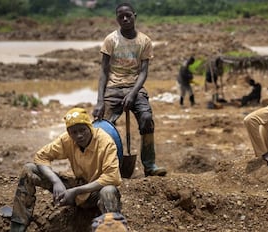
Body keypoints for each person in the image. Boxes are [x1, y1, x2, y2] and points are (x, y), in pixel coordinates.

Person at [10, 108, 122, 232]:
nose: (79, 135)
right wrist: (56, 182)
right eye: (74, 132)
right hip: (77, 187)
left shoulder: (105, 142)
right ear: (69, 132)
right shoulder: (67, 140)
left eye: (82, 130)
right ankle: (18, 226)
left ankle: (111, 228)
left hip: (96, 192)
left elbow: (112, 177)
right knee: (30, 169)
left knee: (109, 191)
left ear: (90, 127)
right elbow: (41, 156)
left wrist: (75, 191)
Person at [92, 2, 167, 177]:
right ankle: (101, 166)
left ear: (135, 16)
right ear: (117, 18)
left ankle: (149, 165)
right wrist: (100, 101)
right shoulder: (111, 40)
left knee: (147, 118)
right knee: (100, 125)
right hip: (113, 87)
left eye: (128, 15)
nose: (125, 19)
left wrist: (133, 93)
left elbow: (143, 72)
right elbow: (103, 71)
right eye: (121, 16)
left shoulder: (144, 41)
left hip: (135, 87)